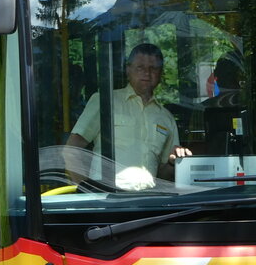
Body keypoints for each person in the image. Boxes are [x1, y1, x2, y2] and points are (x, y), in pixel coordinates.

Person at [66, 43, 191, 188]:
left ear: (160, 73)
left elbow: (162, 175)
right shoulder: (105, 101)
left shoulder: (166, 118)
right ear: (128, 70)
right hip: (107, 197)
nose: (147, 73)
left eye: (153, 68)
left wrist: (172, 163)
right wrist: (87, 191)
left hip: (150, 198)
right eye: (140, 67)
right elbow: (71, 151)